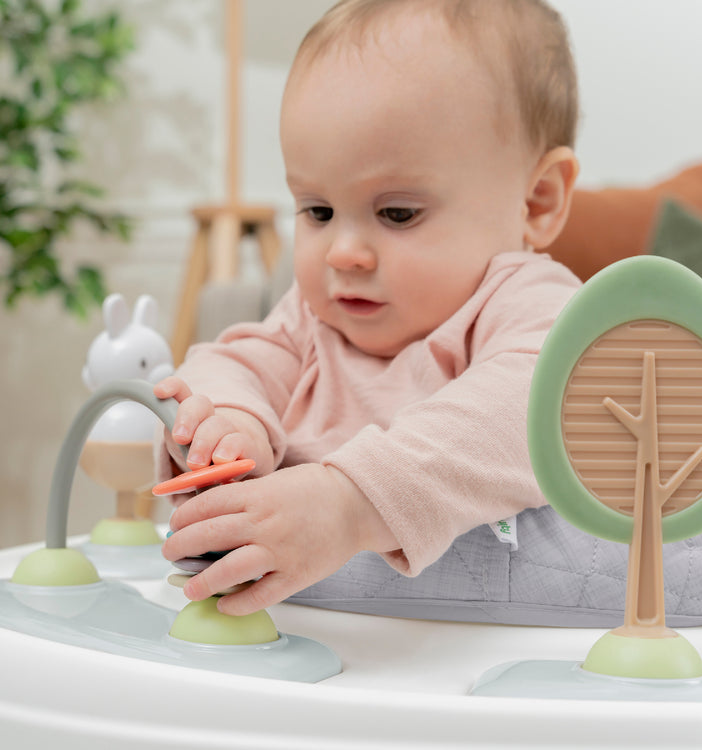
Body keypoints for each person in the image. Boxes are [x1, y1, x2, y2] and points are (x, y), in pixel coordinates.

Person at [156, 0, 581, 617]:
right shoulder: (312, 317)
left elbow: (536, 406)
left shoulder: (527, 302)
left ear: (536, 201)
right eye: (318, 211)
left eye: (397, 213)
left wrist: (351, 502)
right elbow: (232, 360)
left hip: (468, 648)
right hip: (312, 635)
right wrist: (226, 420)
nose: (345, 253)